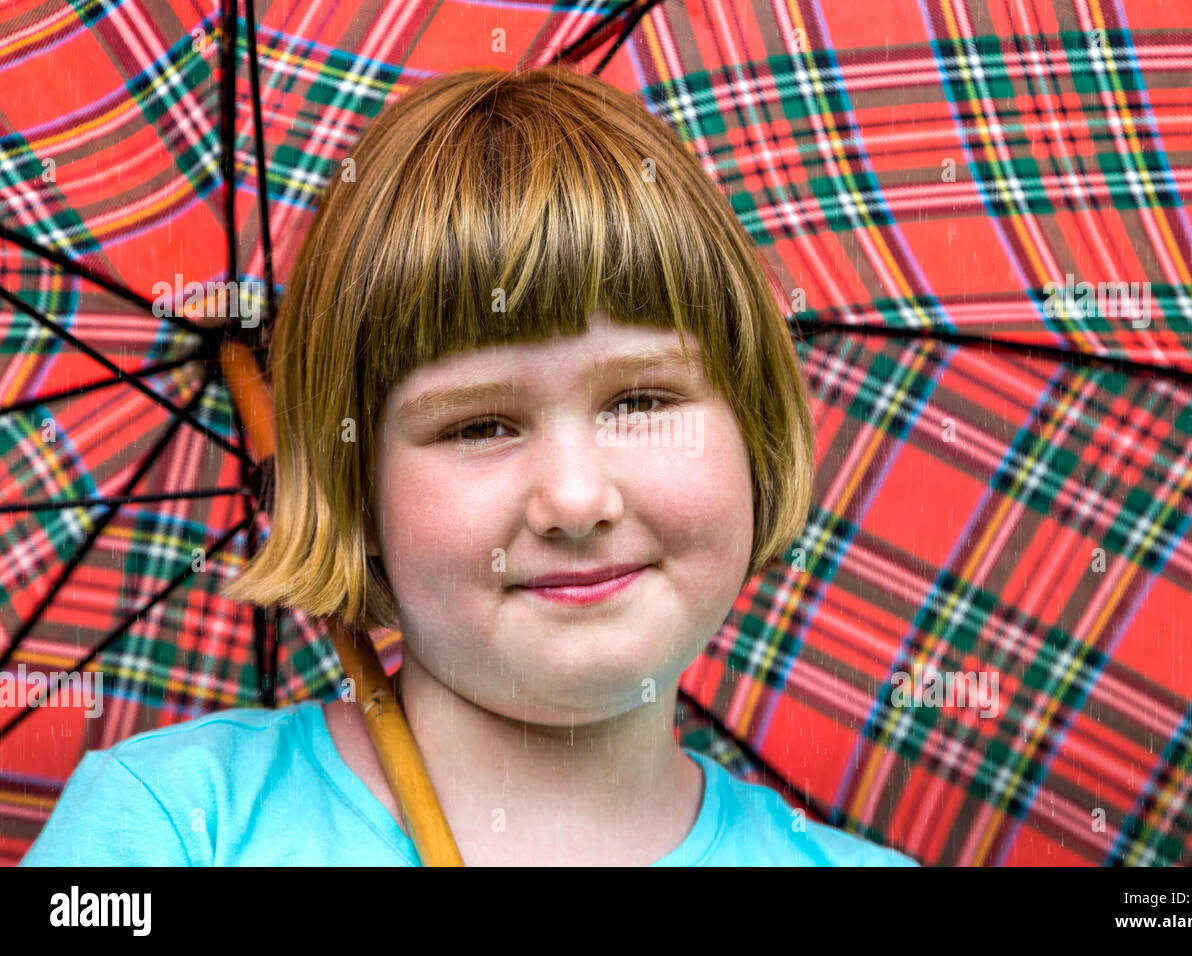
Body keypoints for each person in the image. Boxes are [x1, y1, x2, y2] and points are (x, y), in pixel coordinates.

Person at [21, 65, 918, 867]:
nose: (574, 499)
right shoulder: (171, 832)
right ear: (357, 493)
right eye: (479, 426)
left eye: (641, 403)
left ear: (752, 428)